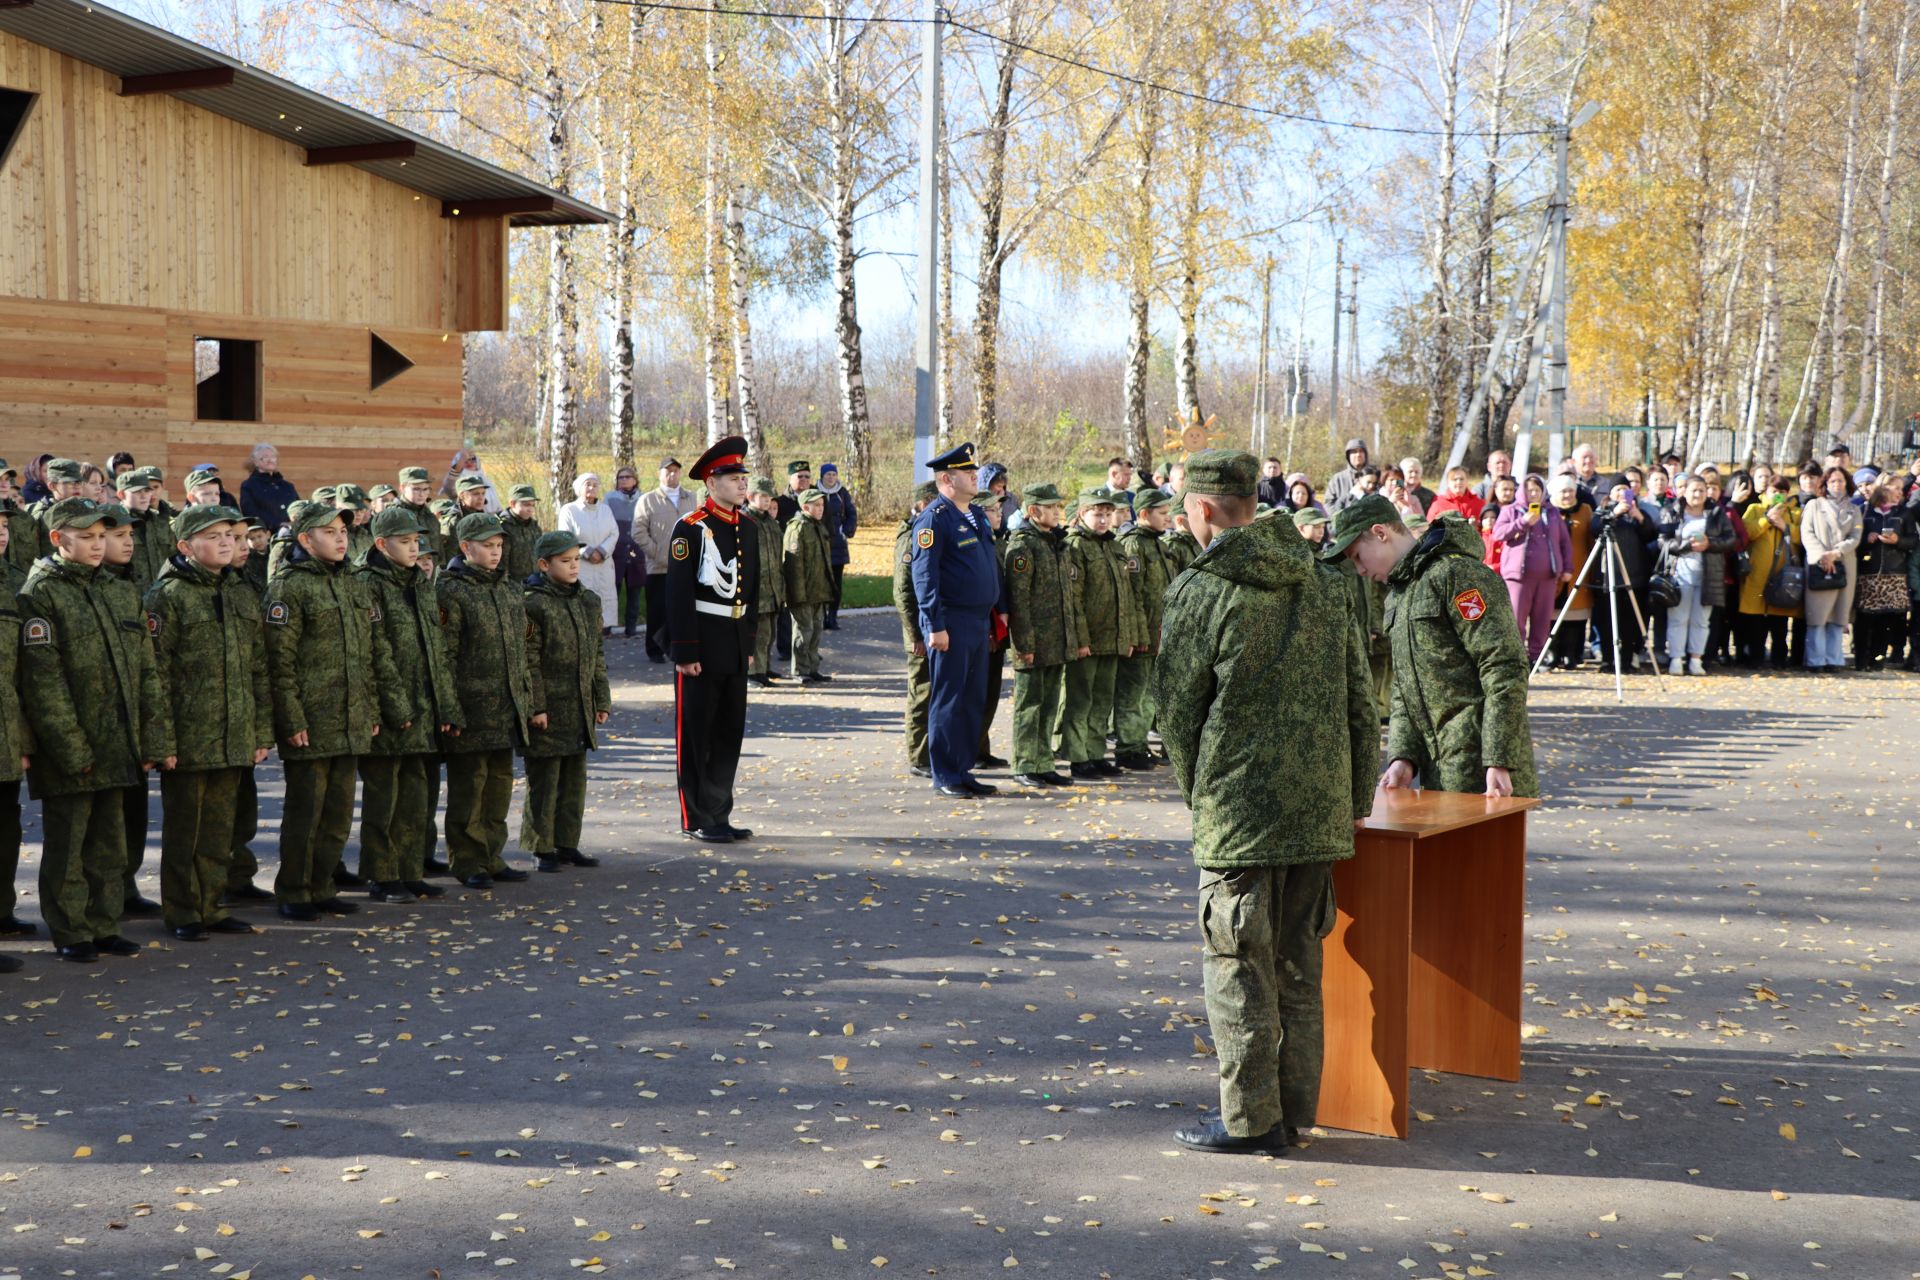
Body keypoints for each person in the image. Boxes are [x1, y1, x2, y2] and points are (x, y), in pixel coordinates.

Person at [1155, 449, 1377, 1154]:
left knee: (1236, 964)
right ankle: (1292, 1113)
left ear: (1203, 509)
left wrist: (1202, 797)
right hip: (1317, 810)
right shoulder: (1321, 582)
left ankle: (1247, 1121)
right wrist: (1352, 797)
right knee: (1296, 966)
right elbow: (1361, 704)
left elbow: (1176, 713)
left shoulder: (1202, 589)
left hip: (1240, 812)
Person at [22, 499, 172, 962]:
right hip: (73, 746)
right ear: (58, 539)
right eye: (85, 537)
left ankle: (104, 924)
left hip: (118, 741)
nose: (96, 544)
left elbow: (146, 671)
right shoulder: (39, 594)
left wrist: (153, 737)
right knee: (68, 846)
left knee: (111, 843)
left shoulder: (118, 589)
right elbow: (44, 682)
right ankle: (71, 932)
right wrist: (71, 748)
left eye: (100, 536)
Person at [1326, 492, 1538, 797]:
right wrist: (1403, 756)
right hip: (1442, 771)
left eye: (1359, 556)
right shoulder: (1400, 593)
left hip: (1484, 773)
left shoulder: (1457, 574)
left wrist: (1499, 759)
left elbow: (1503, 666)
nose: (1359, 570)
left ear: (1380, 533)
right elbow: (1406, 685)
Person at [265, 501, 403, 919]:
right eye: (330, 532)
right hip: (312, 720)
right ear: (306, 540)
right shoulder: (288, 587)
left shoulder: (353, 583)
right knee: (306, 813)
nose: (341, 538)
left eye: (344, 532)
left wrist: (372, 708)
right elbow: (278, 661)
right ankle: (293, 891)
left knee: (339, 813)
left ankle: (322, 885)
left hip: (352, 717)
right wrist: (290, 718)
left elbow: (371, 652)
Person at [145, 505, 270, 939]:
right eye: (213, 535)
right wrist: (162, 740)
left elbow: (258, 666)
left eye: (230, 535)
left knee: (221, 831)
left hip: (235, 732)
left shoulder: (240, 591)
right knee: (185, 833)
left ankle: (212, 906)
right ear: (185, 546)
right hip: (190, 736)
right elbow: (155, 675)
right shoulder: (168, 595)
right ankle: (182, 912)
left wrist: (260, 730)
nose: (225, 542)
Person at [353, 505, 458, 903]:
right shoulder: (368, 583)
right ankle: (382, 875)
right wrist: (396, 708)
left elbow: (437, 652)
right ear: (382, 544)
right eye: (404, 542)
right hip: (391, 711)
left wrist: (445, 707)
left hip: (423, 708)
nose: (414, 549)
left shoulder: (419, 582)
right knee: (384, 798)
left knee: (417, 797)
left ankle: (410, 869)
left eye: (417, 541)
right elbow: (375, 653)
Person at [667, 436, 759, 841]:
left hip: (734, 642)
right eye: (734, 477)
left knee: (727, 732)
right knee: (697, 733)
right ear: (711, 483)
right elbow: (677, 595)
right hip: (702, 643)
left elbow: (753, 592)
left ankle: (719, 813)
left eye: (743, 476)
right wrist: (686, 650)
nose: (742, 484)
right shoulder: (690, 530)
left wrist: (749, 645)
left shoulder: (749, 528)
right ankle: (696, 817)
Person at [438, 512, 536, 888]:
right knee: (469, 788)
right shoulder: (452, 590)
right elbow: (444, 656)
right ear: (466, 548)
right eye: (487, 547)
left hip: (506, 705)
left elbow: (520, 650)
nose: (496, 553)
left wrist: (525, 699)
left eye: (499, 546)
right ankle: (466, 860)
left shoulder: (510, 588)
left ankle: (492, 856)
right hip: (471, 707)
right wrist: (450, 707)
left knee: (498, 786)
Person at [909, 442, 1002, 799]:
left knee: (971, 699)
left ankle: (962, 769)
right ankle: (945, 773)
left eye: (974, 470)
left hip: (978, 621)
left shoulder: (976, 515)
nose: (975, 475)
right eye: (967, 472)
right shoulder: (934, 519)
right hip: (951, 622)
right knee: (948, 699)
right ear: (947, 478)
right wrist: (934, 625)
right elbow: (924, 576)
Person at [520, 529, 611, 873]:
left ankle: (567, 842)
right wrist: (536, 706)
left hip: (579, 704)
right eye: (565, 561)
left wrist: (600, 699)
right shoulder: (533, 603)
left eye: (576, 560)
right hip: (550, 706)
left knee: (574, 780)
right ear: (544, 565)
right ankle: (541, 846)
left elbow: (596, 655)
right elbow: (528, 661)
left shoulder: (587, 601)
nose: (574, 567)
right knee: (545, 781)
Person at [1060, 488, 1142, 780]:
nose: (1104, 519)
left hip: (1113, 638)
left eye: (1108, 514)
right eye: (1098, 513)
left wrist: (1128, 636)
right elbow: (1074, 599)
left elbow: (1127, 597)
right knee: (1081, 700)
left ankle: (1096, 754)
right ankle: (1077, 756)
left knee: (1102, 700)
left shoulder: (1114, 546)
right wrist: (1081, 640)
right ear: (1082, 514)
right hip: (1089, 640)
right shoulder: (1075, 546)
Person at [1003, 484, 1071, 788]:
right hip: (1034, 642)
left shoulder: (1054, 543)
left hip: (1056, 640)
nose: (1057, 511)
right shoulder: (1023, 545)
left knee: (1048, 703)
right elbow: (1018, 601)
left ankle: (1044, 762)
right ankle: (1025, 762)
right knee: (1029, 706)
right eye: (1051, 507)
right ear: (1034, 511)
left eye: (1058, 506)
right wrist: (1024, 645)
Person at [1114, 489, 1174, 770]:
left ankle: (1139, 744)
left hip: (1159, 632)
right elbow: (1132, 595)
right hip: (1142, 633)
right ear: (1145, 514)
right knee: (1132, 693)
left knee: (1149, 694)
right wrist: (1137, 635)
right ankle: (1128, 747)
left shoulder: (1159, 545)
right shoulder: (1134, 545)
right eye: (1162, 513)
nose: (1168, 518)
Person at [1657, 474, 1738, 676]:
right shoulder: (1672, 511)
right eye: (1694, 490)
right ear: (1685, 491)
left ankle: (1696, 658)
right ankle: (1676, 658)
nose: (1698, 494)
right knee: (1678, 617)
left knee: (1701, 619)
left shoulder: (1716, 513)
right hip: (1680, 572)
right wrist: (1685, 546)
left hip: (1709, 573)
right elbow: (1663, 541)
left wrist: (1709, 544)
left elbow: (1730, 539)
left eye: (1702, 490)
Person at [1490, 475, 1572, 664]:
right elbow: (1499, 533)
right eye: (1529, 490)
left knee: (1542, 621)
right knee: (1516, 618)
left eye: (1537, 490)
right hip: (1518, 576)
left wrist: (1567, 567)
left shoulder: (1552, 513)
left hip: (1547, 577)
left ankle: (1537, 657)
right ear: (1522, 491)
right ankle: (1516, 658)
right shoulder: (1511, 510)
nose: (1533, 494)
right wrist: (1522, 522)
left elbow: (1564, 542)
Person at [1589, 477, 1659, 672]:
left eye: (1625, 490)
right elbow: (1594, 528)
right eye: (1618, 490)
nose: (1622, 494)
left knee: (1630, 622)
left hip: (1634, 577)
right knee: (1607, 621)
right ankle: (1608, 659)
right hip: (1608, 576)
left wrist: (1639, 517)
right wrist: (1613, 513)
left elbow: (1651, 536)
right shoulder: (1602, 511)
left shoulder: (1637, 513)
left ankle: (1627, 659)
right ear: (1610, 494)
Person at [893, 482, 937, 775]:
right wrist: (914, 635)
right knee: (920, 693)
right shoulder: (911, 537)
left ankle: (929, 752)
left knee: (931, 692)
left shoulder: (928, 532)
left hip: (930, 628)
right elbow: (903, 591)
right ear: (923, 504)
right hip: (919, 633)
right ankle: (918, 756)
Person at [1799, 467, 1862, 672]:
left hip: (1844, 563)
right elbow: (1807, 532)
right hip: (1819, 565)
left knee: (1838, 615)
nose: (1837, 485)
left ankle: (1834, 658)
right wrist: (1822, 556)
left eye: (1841, 481)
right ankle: (1815, 660)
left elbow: (1855, 536)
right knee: (1818, 615)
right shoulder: (1814, 506)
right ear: (1825, 484)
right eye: (1833, 481)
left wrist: (1836, 553)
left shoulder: (1854, 509)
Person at [634, 457, 696, 663]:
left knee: (682, 610)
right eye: (667, 471)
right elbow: (638, 531)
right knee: (658, 611)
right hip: (658, 567)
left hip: (687, 566)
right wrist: (658, 553)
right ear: (659, 474)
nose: (672, 475)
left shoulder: (692, 498)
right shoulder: (648, 500)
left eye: (676, 471)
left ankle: (677, 648)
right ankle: (654, 649)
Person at [1737, 478, 1802, 668]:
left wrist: (1785, 526)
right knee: (1755, 622)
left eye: (1783, 491)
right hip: (1757, 574)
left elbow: (1804, 537)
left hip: (1784, 576)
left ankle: (1779, 659)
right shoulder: (1755, 509)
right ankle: (1755, 658)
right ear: (1766, 492)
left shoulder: (1796, 512)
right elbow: (1746, 533)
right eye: (1774, 491)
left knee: (1780, 623)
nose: (1778, 495)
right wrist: (1767, 520)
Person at [1854, 472, 1915, 669]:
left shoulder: (1904, 513)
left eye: (1901, 488)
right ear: (1883, 488)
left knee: (1885, 620)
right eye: (1895, 487)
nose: (1900, 492)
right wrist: (1866, 538)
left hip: (1894, 573)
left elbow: (1913, 540)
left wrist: (1898, 541)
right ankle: (1861, 661)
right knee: (1864, 619)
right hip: (1868, 573)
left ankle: (1877, 661)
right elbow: (1855, 539)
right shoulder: (1865, 511)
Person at [0, 516, 27, 948]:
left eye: (3, 525)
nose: (2, 532)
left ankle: (2, 914)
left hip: (6, 733)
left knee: (7, 829)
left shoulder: (15, 584)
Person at [782, 487, 835, 683]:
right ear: (805, 507)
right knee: (803, 632)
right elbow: (793, 565)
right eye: (817, 505)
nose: (821, 509)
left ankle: (813, 668)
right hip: (803, 592)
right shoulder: (798, 527)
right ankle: (800, 670)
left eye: (822, 505)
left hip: (818, 591)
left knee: (816, 632)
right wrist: (797, 594)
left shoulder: (818, 526)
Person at [559, 472, 620, 634]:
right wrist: (586, 551)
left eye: (595, 484)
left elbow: (614, 533)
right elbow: (566, 535)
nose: (592, 488)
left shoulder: (605, 510)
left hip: (604, 565)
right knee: (583, 607)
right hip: (581, 565)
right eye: (588, 484)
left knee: (603, 608)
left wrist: (601, 551)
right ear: (579, 488)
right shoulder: (569, 510)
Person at [746, 478, 787, 688]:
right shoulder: (744, 521)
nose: (767, 501)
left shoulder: (771, 523)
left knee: (769, 633)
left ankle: (764, 668)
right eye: (762, 497)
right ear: (751, 497)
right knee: (757, 635)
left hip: (772, 587)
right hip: (754, 589)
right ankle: (753, 672)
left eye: (769, 497)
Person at [605, 467, 646, 637]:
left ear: (635, 480)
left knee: (635, 592)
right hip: (616, 551)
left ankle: (631, 628)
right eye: (620, 477)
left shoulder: (643, 498)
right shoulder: (610, 498)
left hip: (637, 551)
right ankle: (607, 626)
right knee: (612, 590)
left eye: (627, 477)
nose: (623, 480)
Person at [816, 463, 858, 629]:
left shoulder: (842, 493)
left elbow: (852, 513)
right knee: (820, 582)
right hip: (818, 543)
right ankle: (821, 616)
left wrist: (846, 531)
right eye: (828, 475)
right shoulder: (815, 491)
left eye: (834, 474)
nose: (831, 477)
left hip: (838, 544)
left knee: (836, 583)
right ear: (822, 476)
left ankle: (832, 617)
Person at [239, 443, 297, 533]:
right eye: (265, 457)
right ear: (255, 462)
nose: (270, 460)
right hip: (266, 534)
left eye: (273, 457)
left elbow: (298, 506)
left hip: (294, 531)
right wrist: (278, 524)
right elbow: (250, 512)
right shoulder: (249, 486)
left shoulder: (288, 486)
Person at [500, 484, 544, 586]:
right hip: (513, 585)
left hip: (535, 584)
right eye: (526, 505)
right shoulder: (504, 527)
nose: (531, 509)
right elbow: (501, 563)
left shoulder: (535, 527)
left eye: (533, 505)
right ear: (512, 503)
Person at [438, 448, 500, 512]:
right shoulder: (458, 479)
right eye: (465, 460)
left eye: (473, 459)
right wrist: (459, 464)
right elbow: (449, 489)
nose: (469, 462)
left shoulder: (485, 480)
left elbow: (496, 504)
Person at [1325, 438, 1370, 511]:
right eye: (1354, 452)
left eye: (1361, 451)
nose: (1358, 454)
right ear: (1348, 456)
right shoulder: (1337, 479)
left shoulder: (1374, 477)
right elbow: (1329, 505)